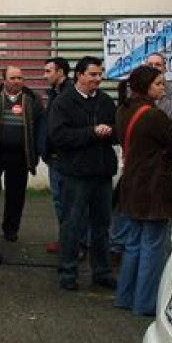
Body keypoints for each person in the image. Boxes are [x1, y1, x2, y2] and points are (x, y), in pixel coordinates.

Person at [114, 65, 172, 316]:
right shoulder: (155, 116)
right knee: (153, 246)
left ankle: (124, 297)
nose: (162, 88)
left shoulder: (122, 109)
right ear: (145, 86)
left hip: (131, 184)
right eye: (158, 84)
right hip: (154, 187)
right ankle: (145, 303)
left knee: (132, 244)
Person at [48, 56, 118, 292]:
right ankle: (67, 271)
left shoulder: (107, 102)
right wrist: (91, 133)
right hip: (75, 174)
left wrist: (111, 132)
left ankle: (102, 272)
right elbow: (58, 136)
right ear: (79, 75)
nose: (97, 79)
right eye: (92, 75)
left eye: (100, 75)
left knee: (102, 226)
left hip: (102, 174)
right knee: (73, 224)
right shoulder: (64, 102)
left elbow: (117, 133)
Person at [0, 65, 43, 243]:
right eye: (13, 78)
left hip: (20, 154)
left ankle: (11, 230)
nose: (17, 81)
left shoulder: (32, 99)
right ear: (4, 80)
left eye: (20, 78)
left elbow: (40, 125)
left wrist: (38, 152)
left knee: (16, 195)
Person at [41, 56, 72, 254]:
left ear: (60, 72)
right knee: (60, 202)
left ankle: (72, 244)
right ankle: (66, 240)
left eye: (48, 71)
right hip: (54, 158)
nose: (45, 76)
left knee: (67, 203)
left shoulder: (68, 95)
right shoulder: (55, 93)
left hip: (64, 159)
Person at [144, 53, 172, 124]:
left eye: (158, 65)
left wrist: (160, 93)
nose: (153, 67)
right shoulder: (136, 89)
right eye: (150, 65)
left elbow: (171, 115)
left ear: (164, 69)